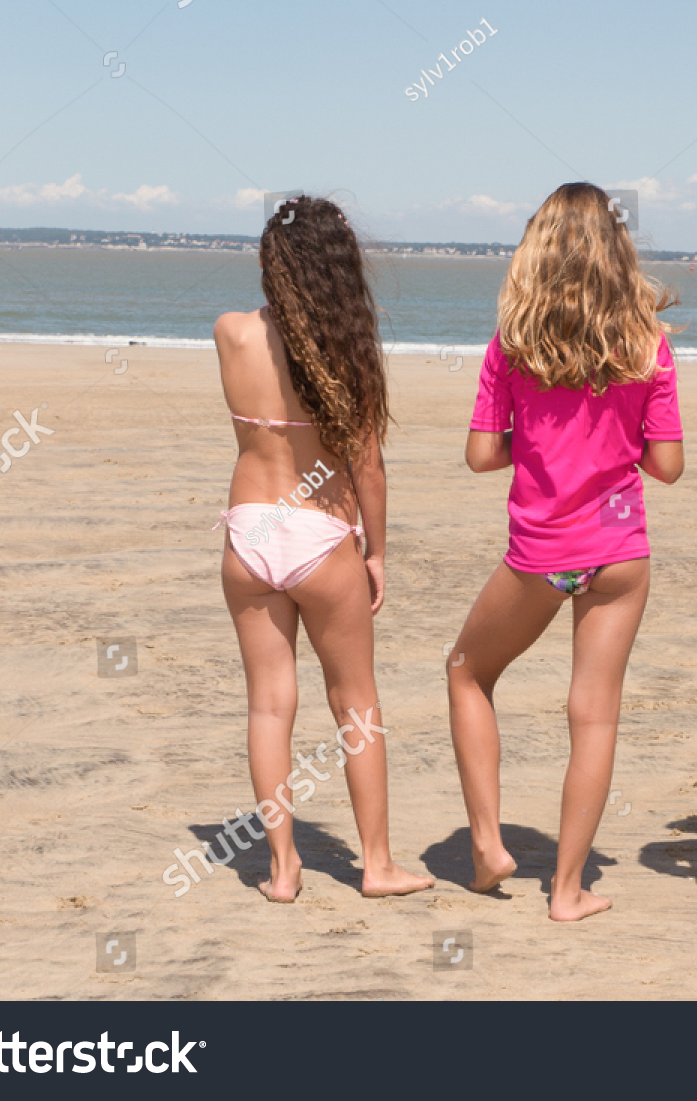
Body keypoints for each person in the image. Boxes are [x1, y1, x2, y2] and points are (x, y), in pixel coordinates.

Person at [447, 182, 685, 921]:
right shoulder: (648, 344)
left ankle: (488, 845)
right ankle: (568, 889)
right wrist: (612, 446)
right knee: (594, 715)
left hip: (544, 550)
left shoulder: (512, 346)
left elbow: (481, 456)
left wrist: (540, 444)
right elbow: (668, 465)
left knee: (467, 671)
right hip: (619, 551)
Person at [215, 195, 432, 903]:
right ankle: (375, 863)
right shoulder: (347, 350)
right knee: (356, 704)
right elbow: (368, 466)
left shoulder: (232, 334)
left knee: (269, 706)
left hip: (249, 531)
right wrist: (375, 551)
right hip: (319, 529)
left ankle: (281, 869)